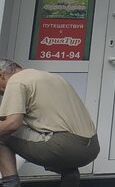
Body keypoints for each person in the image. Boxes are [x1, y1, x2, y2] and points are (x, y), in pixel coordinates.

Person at [0, 59, 99, 187]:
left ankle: (10, 184)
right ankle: (67, 172)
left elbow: (11, 124)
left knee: (3, 133)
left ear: (1, 75)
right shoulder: (54, 78)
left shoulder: (16, 81)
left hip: (64, 146)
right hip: (91, 148)